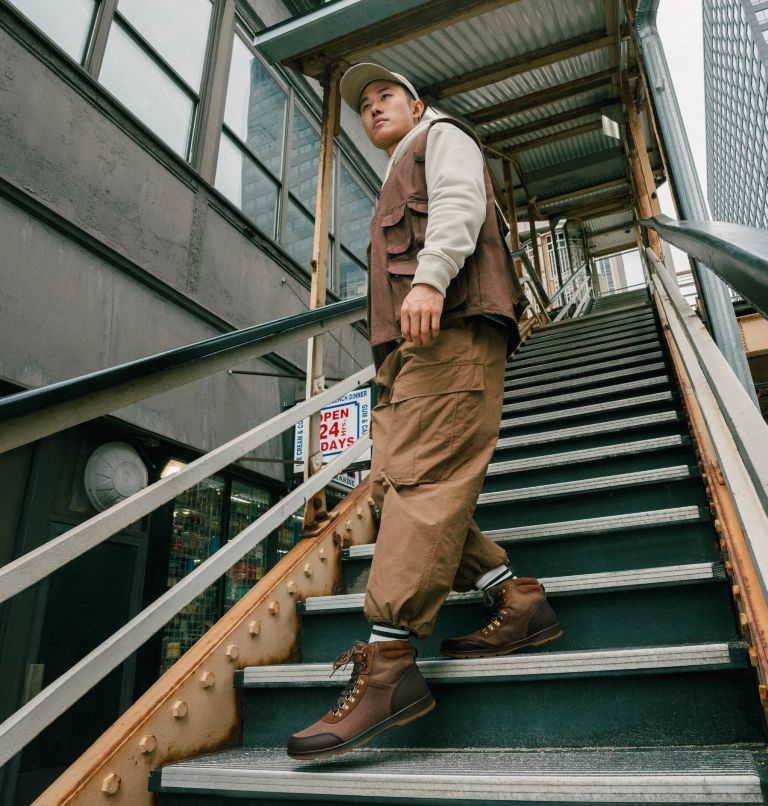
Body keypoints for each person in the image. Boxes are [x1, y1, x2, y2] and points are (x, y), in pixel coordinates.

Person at [287, 63, 561, 761]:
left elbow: (463, 205)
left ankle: (390, 668)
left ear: (419, 102)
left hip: (452, 334)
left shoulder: (442, 138)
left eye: (386, 96)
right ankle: (516, 598)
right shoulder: (395, 170)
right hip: (412, 356)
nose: (373, 108)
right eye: (364, 104)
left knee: (421, 483)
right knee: (397, 485)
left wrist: (432, 278)